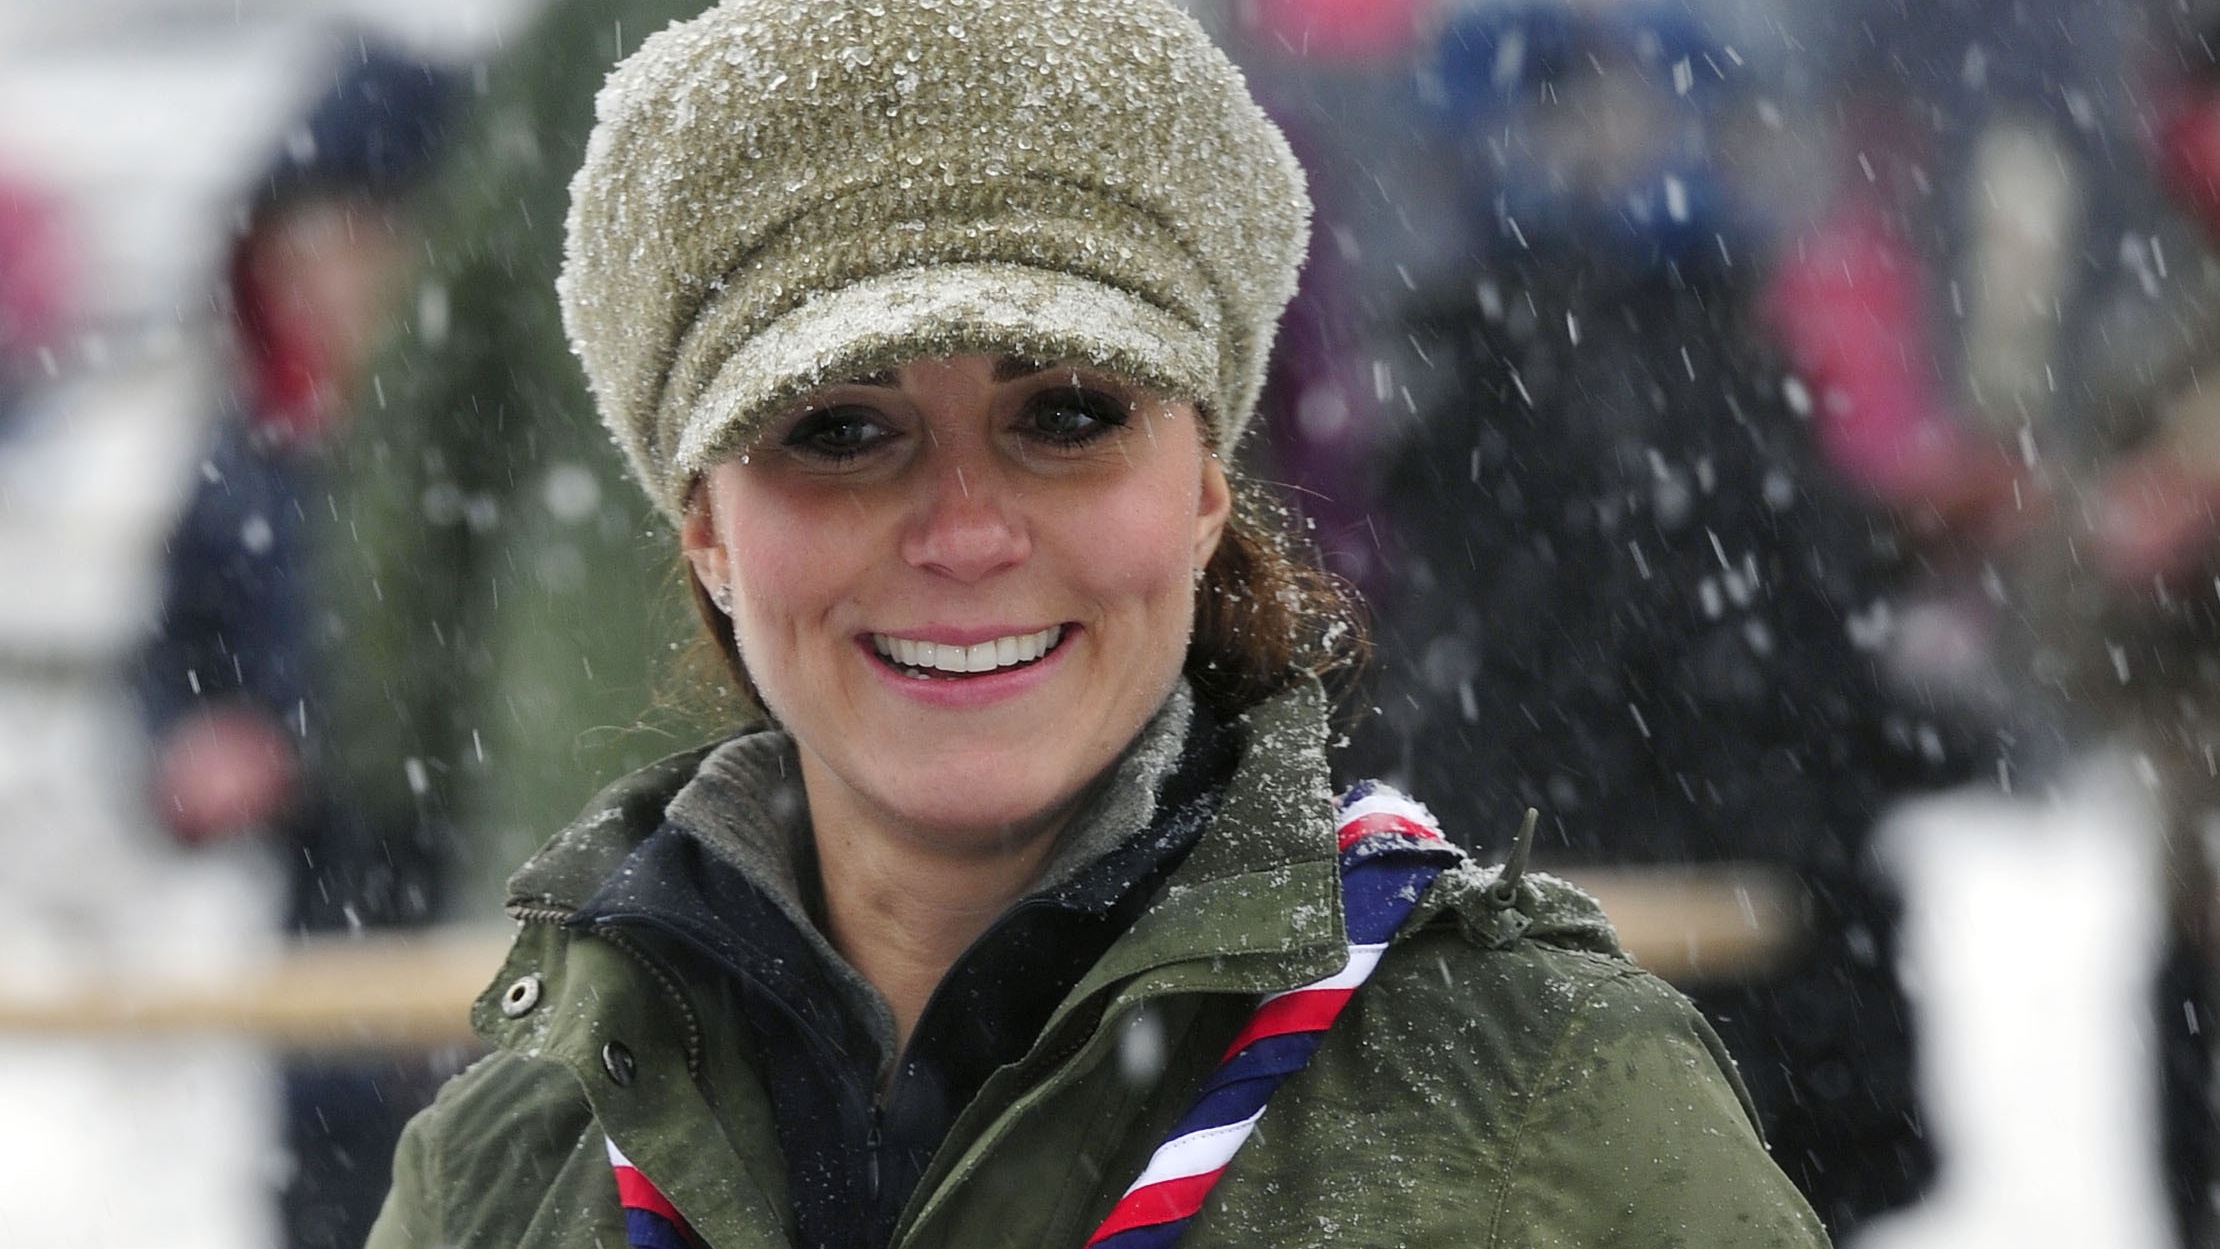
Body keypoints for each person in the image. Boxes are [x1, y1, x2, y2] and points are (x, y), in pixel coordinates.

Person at [366, 1, 1830, 1245]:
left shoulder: (1547, 1111)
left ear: (1205, 488)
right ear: (703, 528)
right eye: (840, 429)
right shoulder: (505, 1177)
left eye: (1066, 414)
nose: (964, 534)